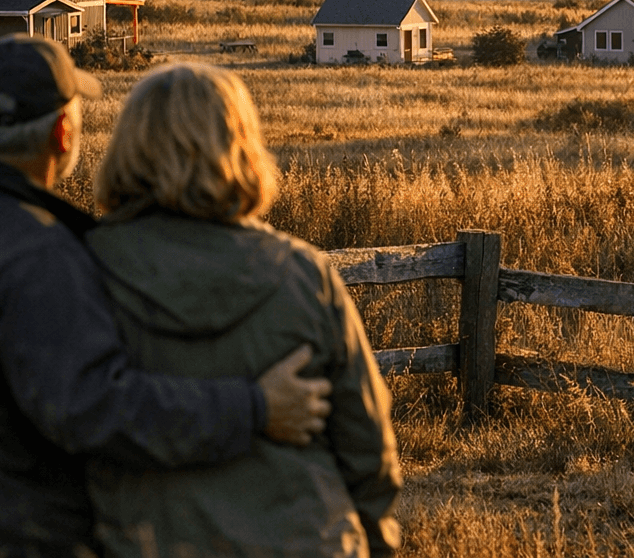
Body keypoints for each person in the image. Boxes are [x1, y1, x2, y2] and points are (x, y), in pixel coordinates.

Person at [0, 35, 333, 558]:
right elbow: (94, 410)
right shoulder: (39, 253)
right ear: (63, 132)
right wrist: (253, 408)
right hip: (25, 541)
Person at [86, 63, 402, 558]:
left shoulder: (82, 271)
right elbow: (367, 443)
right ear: (241, 148)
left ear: (128, 149)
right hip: (305, 538)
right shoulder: (304, 275)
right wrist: (371, 538)